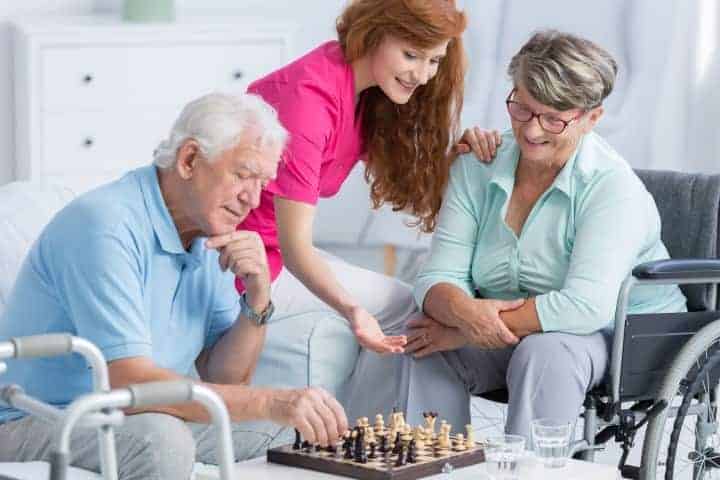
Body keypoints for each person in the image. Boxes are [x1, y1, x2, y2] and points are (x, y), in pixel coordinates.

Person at [354, 30, 688, 439]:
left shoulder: (612, 189)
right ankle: (436, 462)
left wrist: (467, 328)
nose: (531, 131)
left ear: (592, 118)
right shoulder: (478, 164)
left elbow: (585, 307)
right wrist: (464, 312)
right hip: (520, 326)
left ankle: (527, 469)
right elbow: (436, 276)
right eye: (523, 109)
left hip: (618, 335)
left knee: (545, 352)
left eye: (554, 118)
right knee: (419, 340)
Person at [0, 93, 348, 479]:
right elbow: (127, 381)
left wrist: (257, 299)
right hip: (38, 418)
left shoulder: (206, 231)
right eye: (243, 174)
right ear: (189, 160)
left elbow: (226, 379)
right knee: (162, 438)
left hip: (132, 414)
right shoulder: (106, 225)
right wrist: (269, 400)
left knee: (294, 428)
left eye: (262, 183)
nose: (252, 198)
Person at [238, 0, 498, 357]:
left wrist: (460, 156)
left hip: (271, 248)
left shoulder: (361, 90)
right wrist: (354, 311)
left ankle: (385, 412)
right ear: (374, 34)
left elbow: (409, 185)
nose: (422, 75)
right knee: (409, 309)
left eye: (434, 60)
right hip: (244, 264)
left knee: (400, 302)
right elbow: (297, 251)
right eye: (410, 55)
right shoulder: (310, 101)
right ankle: (403, 414)